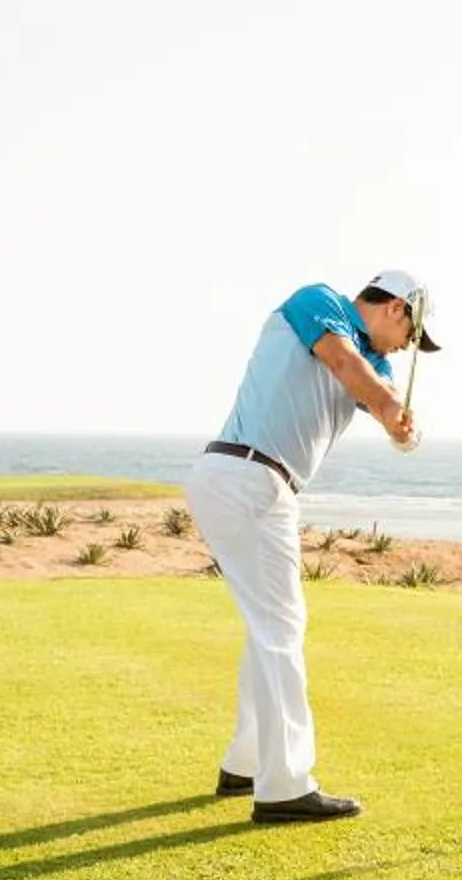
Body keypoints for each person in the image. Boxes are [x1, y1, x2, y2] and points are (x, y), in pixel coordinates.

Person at [186, 269, 439, 824]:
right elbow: (344, 365)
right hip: (243, 474)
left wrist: (402, 426)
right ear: (396, 307)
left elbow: (382, 393)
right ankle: (283, 787)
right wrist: (390, 412)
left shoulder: (379, 364)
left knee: (272, 627)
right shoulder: (318, 303)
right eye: (411, 332)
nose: (407, 345)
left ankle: (246, 762)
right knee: (279, 630)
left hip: (261, 485)